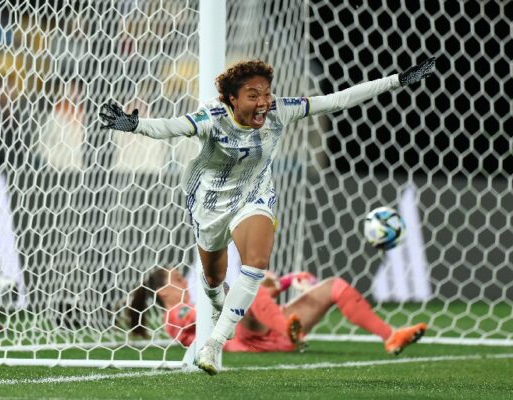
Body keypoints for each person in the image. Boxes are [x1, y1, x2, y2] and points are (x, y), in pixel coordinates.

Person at [100, 57, 435, 374]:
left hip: (256, 196)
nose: (263, 102)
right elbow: (171, 126)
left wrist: (397, 80)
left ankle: (215, 344)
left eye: (266, 93)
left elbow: (336, 100)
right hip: (210, 203)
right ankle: (219, 308)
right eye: (253, 95)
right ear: (232, 99)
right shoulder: (212, 118)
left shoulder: (280, 110)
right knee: (213, 280)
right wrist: (134, 124)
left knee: (256, 263)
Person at [124, 256, 427, 356]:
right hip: (245, 339)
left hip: (271, 330)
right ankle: (289, 330)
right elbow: (218, 312)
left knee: (335, 286)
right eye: (177, 278)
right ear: (163, 291)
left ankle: (391, 335)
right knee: (250, 290)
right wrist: (263, 284)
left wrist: (287, 280)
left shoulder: (196, 298)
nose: (182, 280)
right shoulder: (173, 315)